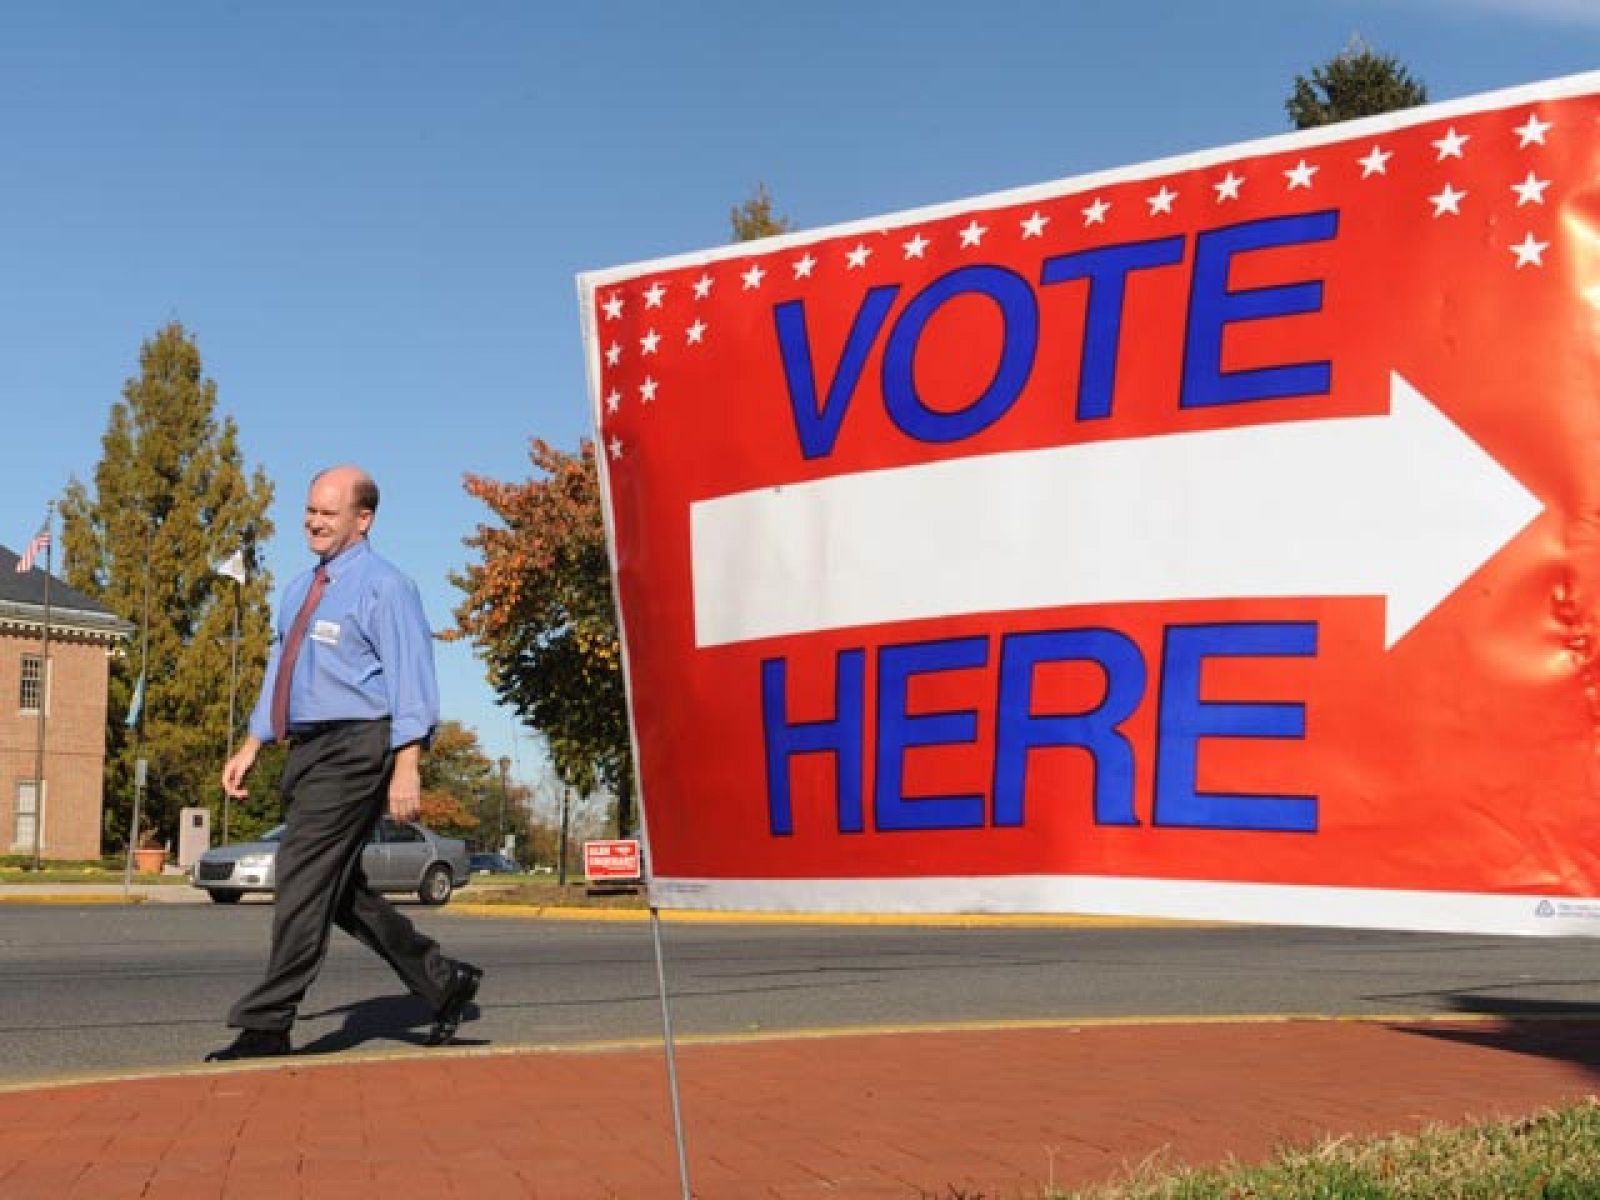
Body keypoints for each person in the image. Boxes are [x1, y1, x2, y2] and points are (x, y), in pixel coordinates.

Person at [206, 465, 482, 1061]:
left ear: (363, 520)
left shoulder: (387, 586)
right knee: (335, 888)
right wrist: (253, 744)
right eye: (310, 509)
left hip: (359, 745)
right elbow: (280, 674)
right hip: (306, 749)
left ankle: (268, 1021)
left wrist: (407, 764)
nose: (313, 521)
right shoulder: (297, 590)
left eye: (328, 513)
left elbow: (413, 678)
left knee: (302, 875)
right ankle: (442, 980)